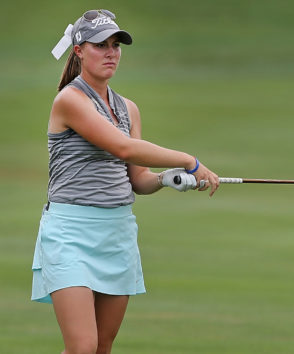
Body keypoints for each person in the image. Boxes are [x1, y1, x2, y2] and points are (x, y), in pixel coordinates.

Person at [32, 9, 220, 354]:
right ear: (79, 51)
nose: (111, 53)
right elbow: (122, 146)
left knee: (102, 347)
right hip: (70, 233)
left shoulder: (128, 109)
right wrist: (188, 160)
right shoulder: (70, 100)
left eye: (116, 45)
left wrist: (166, 179)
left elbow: (138, 179)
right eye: (100, 45)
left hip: (116, 234)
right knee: (83, 347)